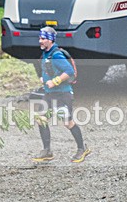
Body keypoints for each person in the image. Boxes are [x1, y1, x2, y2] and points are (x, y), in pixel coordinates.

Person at [33, 26, 90, 163]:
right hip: (49, 94)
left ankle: (82, 148)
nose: (40, 41)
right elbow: (47, 69)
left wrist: (55, 81)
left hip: (62, 94)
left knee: (68, 123)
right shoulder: (46, 54)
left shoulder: (57, 55)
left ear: (51, 40)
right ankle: (47, 151)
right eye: (40, 38)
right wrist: (43, 79)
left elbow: (69, 71)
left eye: (43, 39)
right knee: (41, 118)